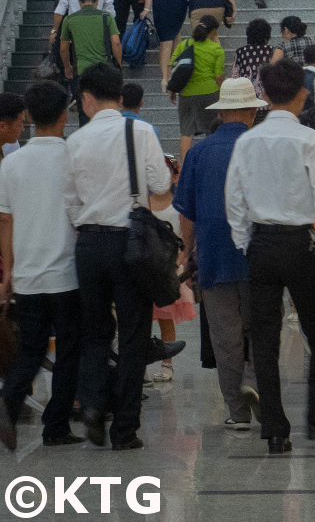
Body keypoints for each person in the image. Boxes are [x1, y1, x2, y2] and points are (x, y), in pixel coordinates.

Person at [225, 59, 315, 454]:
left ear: (262, 96)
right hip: (301, 244)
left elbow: (235, 199)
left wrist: (246, 241)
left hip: (261, 245)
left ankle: (276, 431)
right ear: (303, 95)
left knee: (265, 339)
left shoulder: (247, 141)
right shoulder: (310, 140)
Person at [65, 62, 173, 450]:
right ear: (121, 94)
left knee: (94, 333)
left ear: (88, 98)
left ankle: (92, 404)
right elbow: (161, 184)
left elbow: (69, 203)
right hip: (132, 245)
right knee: (132, 336)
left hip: (90, 246)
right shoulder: (139, 131)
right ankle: (125, 429)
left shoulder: (75, 140)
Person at [174, 78, 262, 432]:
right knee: (261, 327)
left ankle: (237, 412)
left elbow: (186, 212)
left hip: (214, 255)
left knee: (225, 335)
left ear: (222, 112)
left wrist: (186, 251)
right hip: (260, 255)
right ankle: (256, 383)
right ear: (253, 112)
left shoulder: (198, 153)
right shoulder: (262, 149)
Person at [0, 82, 83, 451]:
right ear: (65, 114)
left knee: (31, 349)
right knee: (68, 350)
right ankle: (56, 427)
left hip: (28, 274)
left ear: (29, 116)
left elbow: (5, 221)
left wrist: (8, 273)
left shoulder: (12, 161)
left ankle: (9, 402)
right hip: (67, 274)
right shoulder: (74, 157)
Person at [170, 15, 226, 161]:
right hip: (210, 94)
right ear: (212, 31)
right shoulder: (216, 49)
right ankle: (212, 162)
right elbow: (218, 76)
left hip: (187, 93)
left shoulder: (183, 45)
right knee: (212, 131)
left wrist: (173, 89)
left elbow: (174, 66)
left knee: (186, 132)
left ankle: (185, 168)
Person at [232, 18, 276, 109]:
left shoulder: (240, 52)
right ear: (267, 36)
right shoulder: (273, 51)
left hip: (247, 102)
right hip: (269, 101)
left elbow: (235, 76)